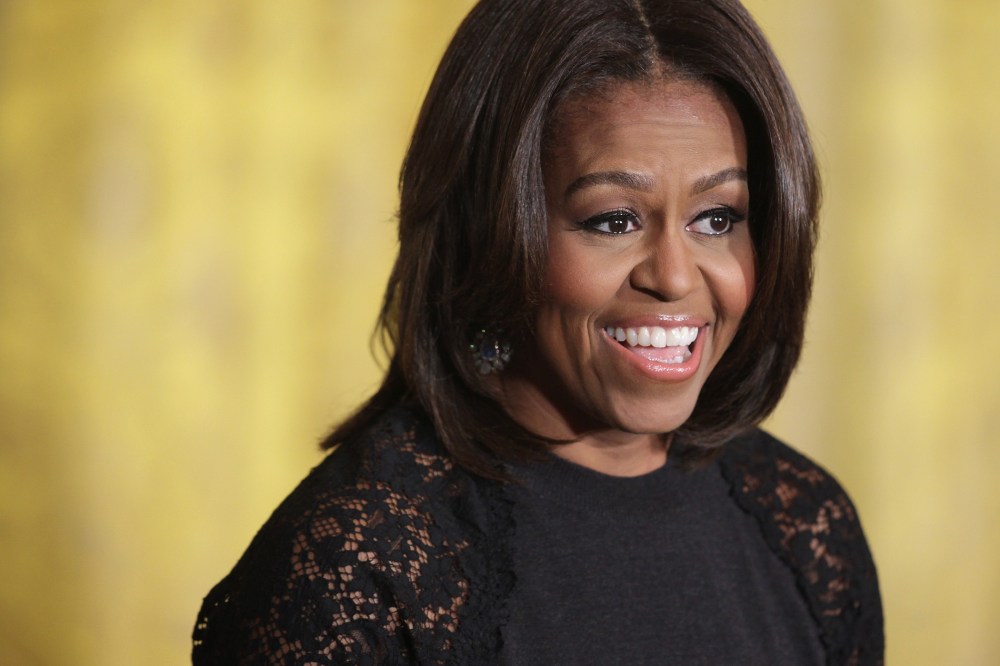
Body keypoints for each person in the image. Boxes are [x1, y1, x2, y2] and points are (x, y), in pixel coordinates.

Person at [192, 0, 884, 663]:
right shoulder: (356, 573)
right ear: (489, 232)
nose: (675, 277)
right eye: (613, 220)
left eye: (717, 218)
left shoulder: (805, 530)